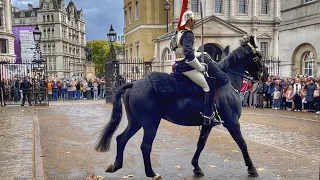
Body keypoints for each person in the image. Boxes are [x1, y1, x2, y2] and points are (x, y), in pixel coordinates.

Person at [170, 0, 228, 126]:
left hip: (179, 64)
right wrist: (200, 67)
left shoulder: (178, 34)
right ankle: (208, 117)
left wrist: (203, 55)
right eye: (193, 21)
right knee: (208, 87)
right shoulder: (188, 34)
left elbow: (182, 52)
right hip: (187, 67)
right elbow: (189, 55)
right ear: (189, 21)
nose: (194, 24)